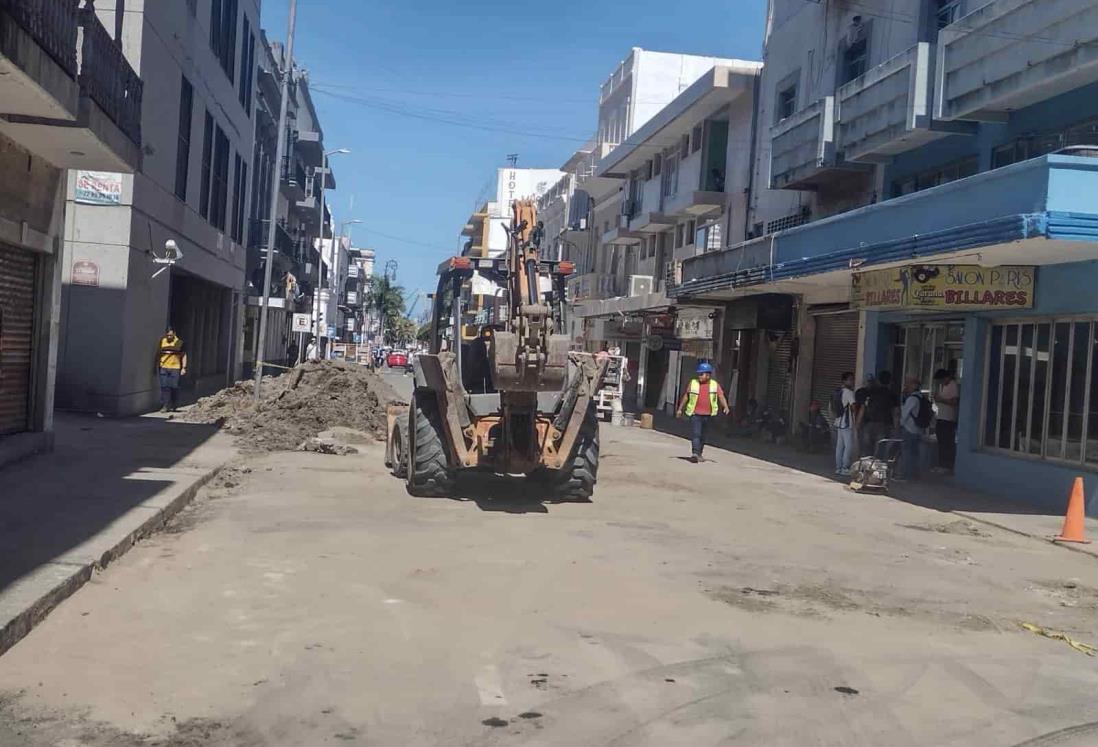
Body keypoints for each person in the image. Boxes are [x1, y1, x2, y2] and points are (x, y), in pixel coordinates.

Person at [676, 361, 730, 463]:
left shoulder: (714, 385)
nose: (700, 376)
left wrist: (725, 406)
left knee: (703, 435)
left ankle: (699, 453)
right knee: (696, 434)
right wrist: (680, 409)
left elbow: (721, 396)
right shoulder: (693, 383)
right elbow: (686, 396)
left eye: (702, 374)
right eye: (699, 374)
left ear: (708, 375)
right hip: (695, 414)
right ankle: (695, 453)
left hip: (708, 415)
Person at [859, 370, 899, 457]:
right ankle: (877, 467)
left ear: (878, 381)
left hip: (869, 423)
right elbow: (895, 412)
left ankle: (867, 467)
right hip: (884, 424)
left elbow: (863, 407)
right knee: (880, 448)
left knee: (867, 449)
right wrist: (896, 427)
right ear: (890, 381)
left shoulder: (871, 392)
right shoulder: (892, 394)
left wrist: (858, 423)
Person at [899, 375, 928, 480]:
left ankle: (907, 475)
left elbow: (905, 414)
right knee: (914, 453)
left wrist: (900, 425)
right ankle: (914, 475)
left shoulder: (912, 399)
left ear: (914, 385)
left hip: (909, 429)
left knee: (907, 453)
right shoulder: (921, 398)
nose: (906, 385)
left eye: (908, 383)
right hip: (918, 430)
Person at [933, 368, 959, 474]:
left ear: (945, 377)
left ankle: (946, 465)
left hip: (948, 419)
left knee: (947, 443)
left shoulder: (952, 385)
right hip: (941, 417)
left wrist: (941, 400)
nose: (940, 383)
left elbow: (954, 402)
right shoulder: (944, 386)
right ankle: (941, 464)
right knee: (941, 442)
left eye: (940, 380)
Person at [156, 326, 186, 412]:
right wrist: (156, 365)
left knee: (174, 386)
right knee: (164, 387)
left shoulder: (179, 343)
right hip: (164, 367)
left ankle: (174, 403)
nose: (169, 337)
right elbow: (158, 354)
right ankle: (165, 405)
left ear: (174, 334)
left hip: (175, 367)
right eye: (168, 335)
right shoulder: (162, 342)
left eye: (171, 335)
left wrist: (183, 367)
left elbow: (183, 355)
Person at [832, 372, 857, 475]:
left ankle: (838, 467)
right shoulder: (849, 392)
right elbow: (853, 407)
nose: (852, 382)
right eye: (850, 379)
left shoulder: (839, 391)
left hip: (839, 422)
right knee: (848, 446)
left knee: (840, 446)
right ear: (844, 381)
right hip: (847, 422)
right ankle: (845, 467)